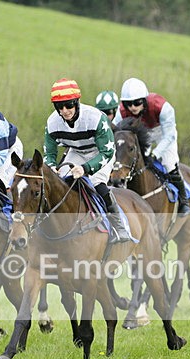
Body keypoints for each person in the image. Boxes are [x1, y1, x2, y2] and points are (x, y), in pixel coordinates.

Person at [46, 78, 129, 244]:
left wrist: (86, 168)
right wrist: (51, 167)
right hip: (76, 152)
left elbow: (107, 151)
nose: (65, 110)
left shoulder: (96, 118)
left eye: (69, 105)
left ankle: (119, 226)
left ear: (76, 102)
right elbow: (49, 153)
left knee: (97, 184)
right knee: (59, 184)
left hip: (101, 152)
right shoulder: (52, 122)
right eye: (59, 107)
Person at [113, 77, 190, 216]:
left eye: (137, 103)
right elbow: (117, 135)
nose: (132, 108)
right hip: (142, 134)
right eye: (128, 104)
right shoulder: (121, 112)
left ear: (144, 100)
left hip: (163, 132)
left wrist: (156, 154)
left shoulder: (162, 107)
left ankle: (184, 201)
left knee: (169, 163)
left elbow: (169, 136)